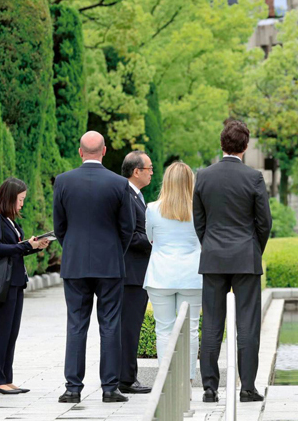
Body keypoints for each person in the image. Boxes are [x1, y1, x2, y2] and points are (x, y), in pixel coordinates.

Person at [53, 132, 136, 403]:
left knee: (76, 325)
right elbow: (128, 227)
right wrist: (115, 252)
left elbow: (59, 227)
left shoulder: (63, 182)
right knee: (110, 325)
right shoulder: (119, 183)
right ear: (104, 151)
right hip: (110, 264)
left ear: (80, 152)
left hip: (75, 264)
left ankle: (73, 388)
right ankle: (110, 388)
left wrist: (73, 250)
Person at [194, 119, 272, 404]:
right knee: (248, 324)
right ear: (246, 146)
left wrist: (210, 246)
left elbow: (199, 221)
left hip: (213, 256)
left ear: (221, 143)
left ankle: (210, 388)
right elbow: (264, 222)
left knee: (213, 324)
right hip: (245, 256)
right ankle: (247, 387)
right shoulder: (253, 177)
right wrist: (254, 249)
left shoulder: (203, 176)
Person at [0, 178, 50, 395]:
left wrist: (34, 246)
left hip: (16, 281)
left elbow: (16, 248)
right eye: (20, 199)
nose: (22, 204)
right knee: (1, 330)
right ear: (10, 197)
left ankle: (6, 377)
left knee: (12, 331)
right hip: (5, 283)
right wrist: (24, 245)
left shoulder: (9, 219)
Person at [144, 161, 202, 382]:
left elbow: (150, 238)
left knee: (164, 329)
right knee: (191, 329)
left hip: (161, 275)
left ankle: (166, 378)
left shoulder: (152, 209)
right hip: (192, 275)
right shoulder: (198, 209)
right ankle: (187, 378)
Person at [118, 151, 154, 395]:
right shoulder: (127, 196)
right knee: (129, 328)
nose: (152, 172)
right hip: (131, 273)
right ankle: (126, 379)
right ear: (136, 171)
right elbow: (130, 235)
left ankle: (127, 375)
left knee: (132, 326)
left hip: (137, 272)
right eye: (149, 168)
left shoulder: (137, 196)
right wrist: (156, 240)